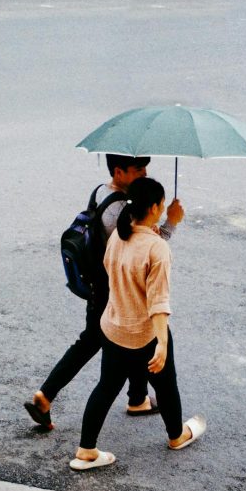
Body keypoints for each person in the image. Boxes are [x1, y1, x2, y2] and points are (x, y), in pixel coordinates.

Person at [25, 155, 185, 430]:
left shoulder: (102, 192)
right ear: (119, 172)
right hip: (112, 293)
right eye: (138, 170)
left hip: (101, 286)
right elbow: (143, 252)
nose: (145, 174)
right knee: (104, 343)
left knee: (119, 343)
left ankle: (137, 398)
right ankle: (47, 395)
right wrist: (170, 222)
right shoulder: (121, 210)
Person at [69, 177, 205, 471]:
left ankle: (86, 450)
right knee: (166, 386)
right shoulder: (157, 249)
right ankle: (176, 435)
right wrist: (163, 344)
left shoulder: (118, 236)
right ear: (156, 207)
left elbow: (114, 266)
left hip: (115, 326)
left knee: (105, 388)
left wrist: (165, 225)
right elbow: (158, 302)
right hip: (144, 334)